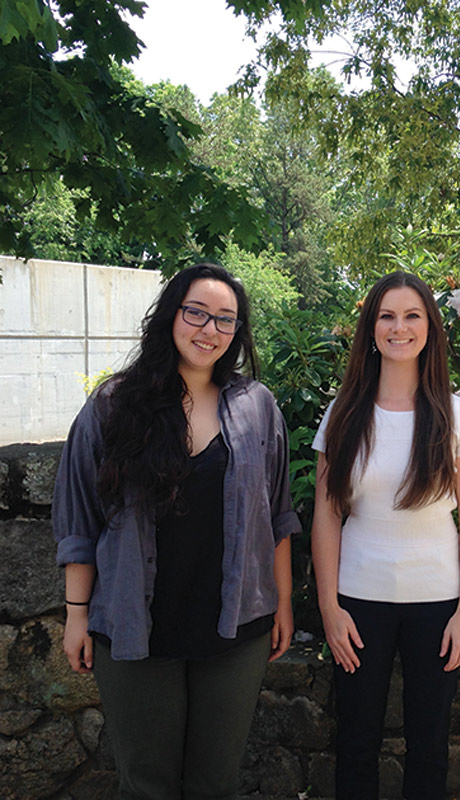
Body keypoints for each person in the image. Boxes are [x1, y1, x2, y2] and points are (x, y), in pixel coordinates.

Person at [53, 263, 299, 800]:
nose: (209, 329)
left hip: (236, 631)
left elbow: (277, 516)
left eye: (225, 320)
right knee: (147, 785)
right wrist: (76, 617)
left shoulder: (257, 407)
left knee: (216, 782)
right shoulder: (112, 407)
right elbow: (80, 523)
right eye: (197, 313)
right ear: (171, 316)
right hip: (135, 630)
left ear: (237, 333)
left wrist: (281, 603)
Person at [311, 271, 460, 800]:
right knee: (357, 744)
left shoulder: (458, 417)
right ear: (371, 329)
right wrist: (329, 608)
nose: (399, 327)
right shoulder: (344, 415)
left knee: (430, 748)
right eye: (387, 316)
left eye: (413, 315)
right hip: (358, 604)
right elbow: (327, 516)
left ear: (431, 329)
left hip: (437, 604)